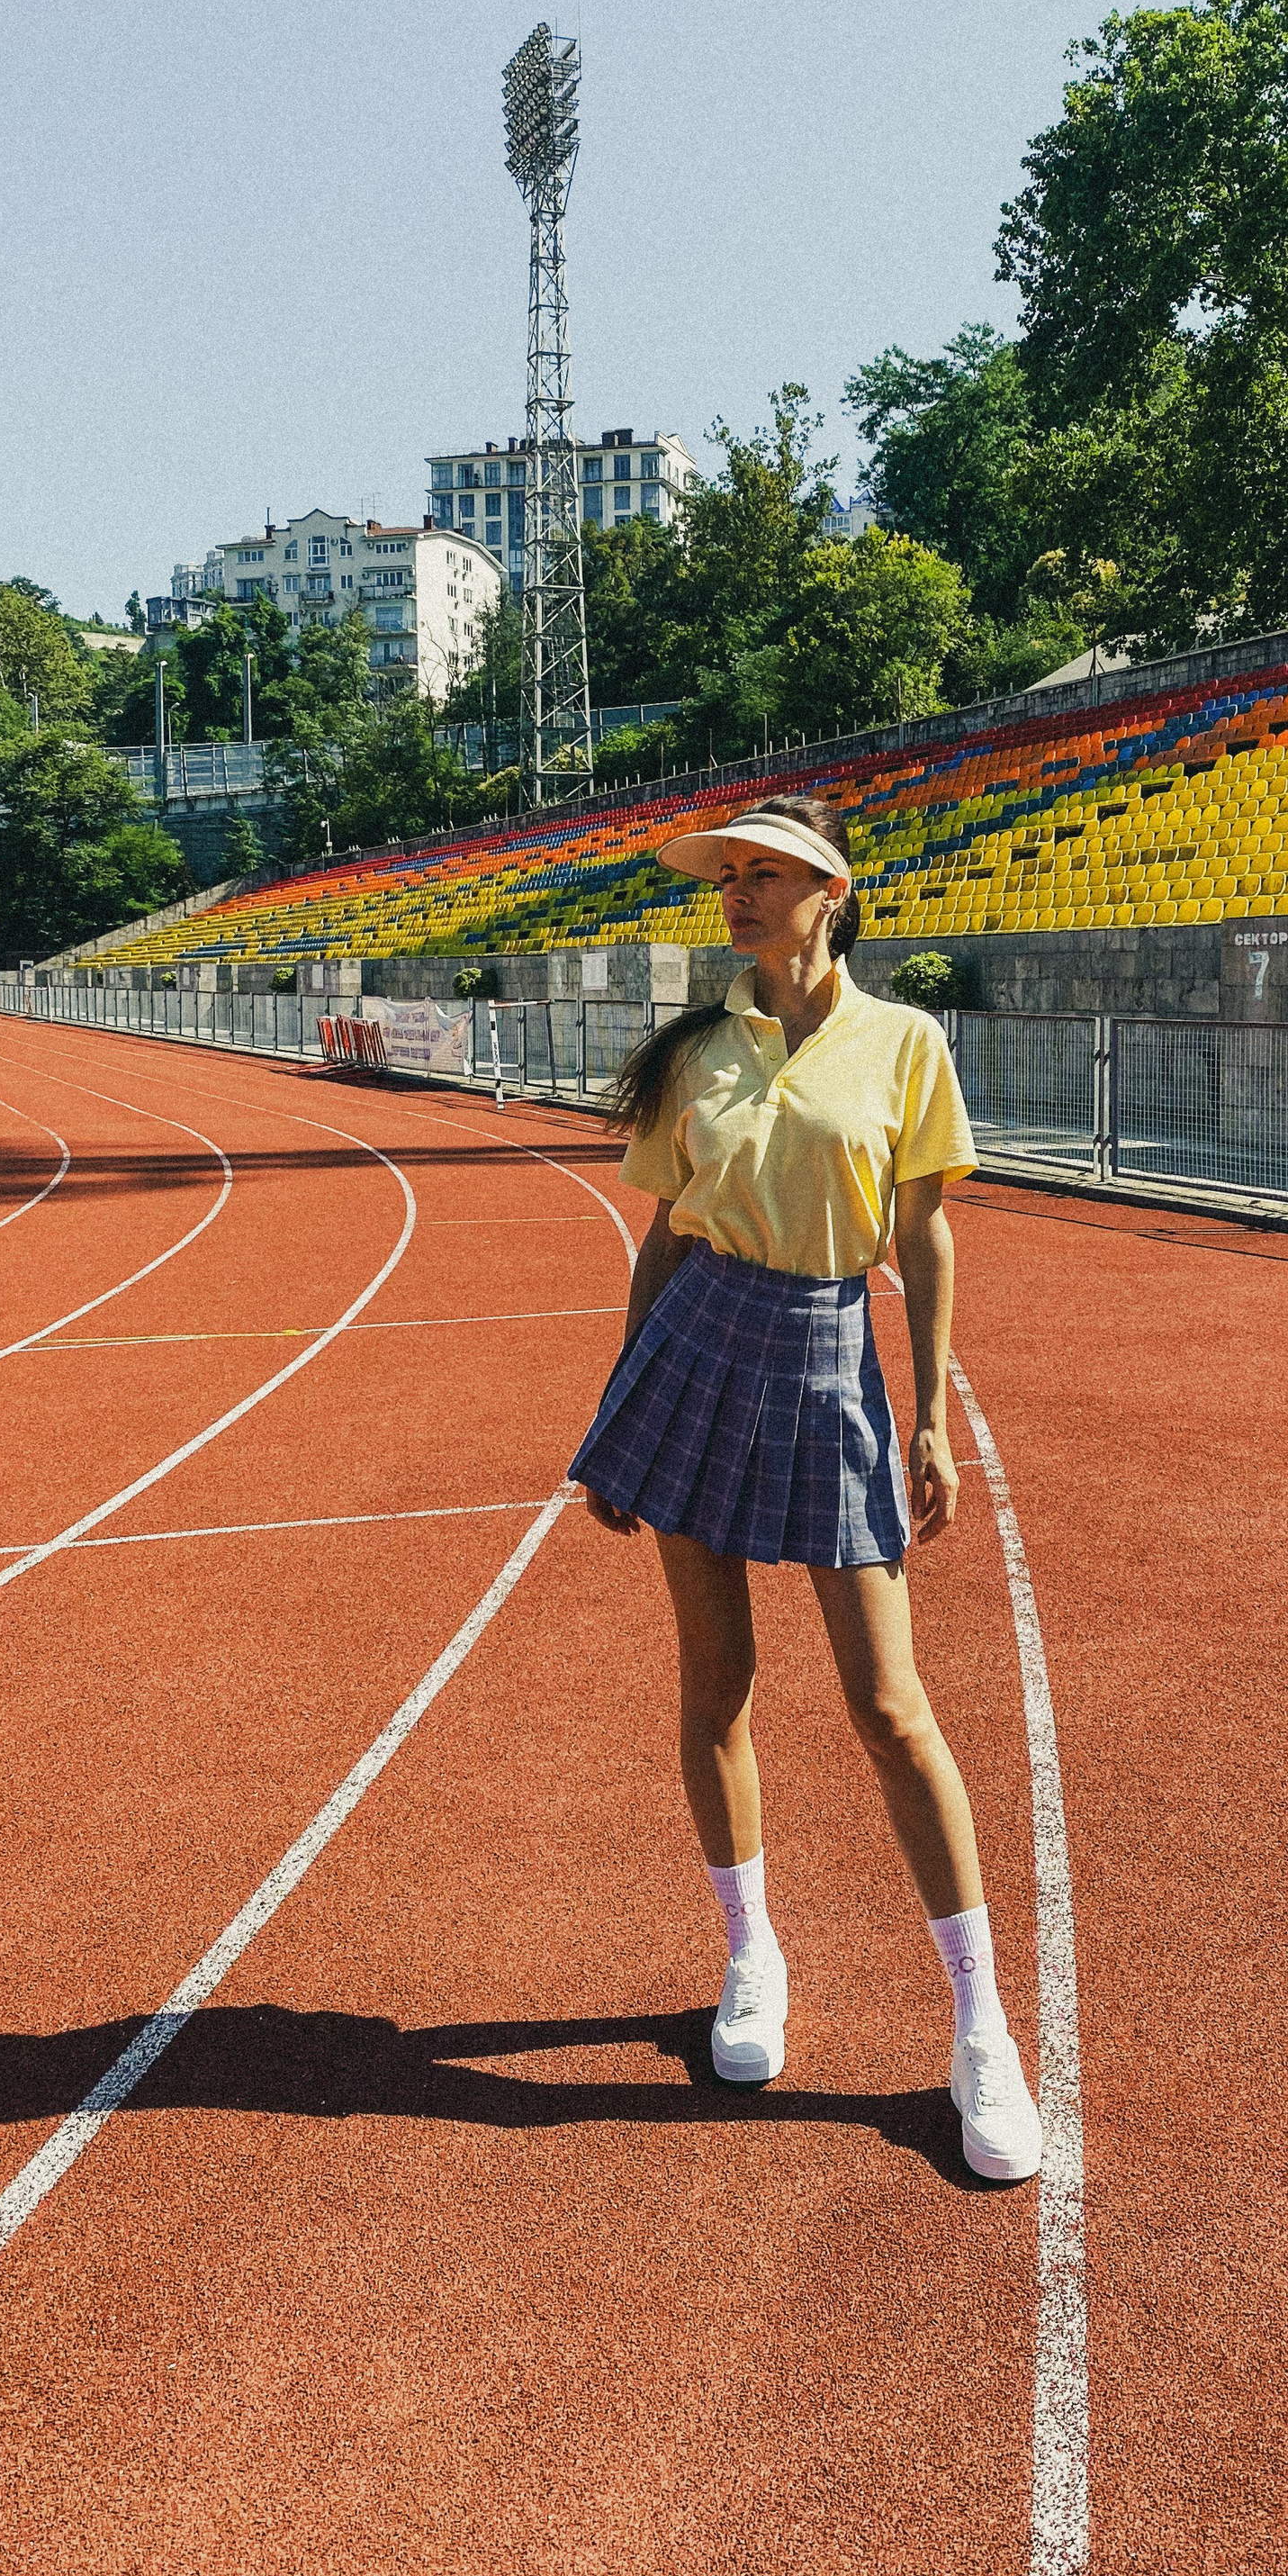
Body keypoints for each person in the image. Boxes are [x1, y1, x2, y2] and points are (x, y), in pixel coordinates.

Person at [569, 793, 1042, 2183]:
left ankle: (979, 2030)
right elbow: (662, 1237)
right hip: (696, 1345)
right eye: (730, 874)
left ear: (833, 892)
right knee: (714, 1680)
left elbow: (928, 1236)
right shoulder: (696, 1050)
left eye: (767, 873)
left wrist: (933, 1413)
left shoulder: (907, 1042)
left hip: (831, 1354)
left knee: (889, 1705)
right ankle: (751, 1955)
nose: (739, 890)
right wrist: (618, 1407)